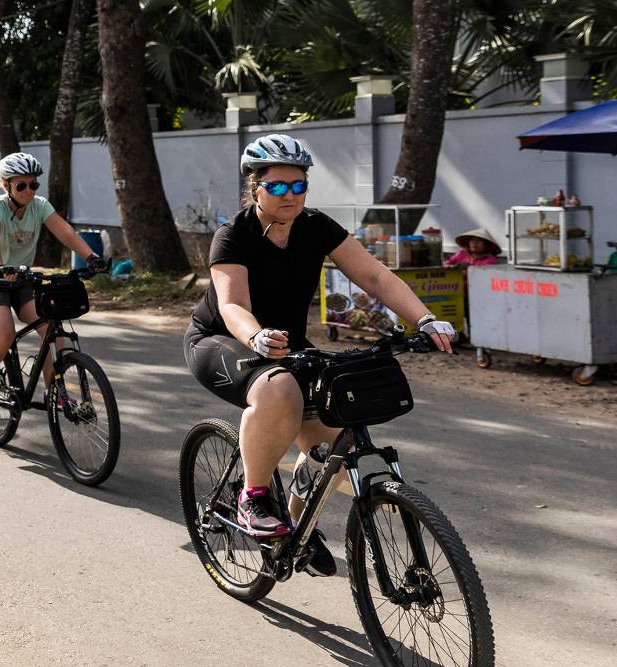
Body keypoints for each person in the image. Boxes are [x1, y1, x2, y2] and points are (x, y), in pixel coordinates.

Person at [182, 134, 455, 573]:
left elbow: (376, 276)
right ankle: (253, 497)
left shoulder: (316, 226)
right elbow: (232, 305)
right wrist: (255, 338)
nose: (289, 195)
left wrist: (424, 320)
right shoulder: (233, 235)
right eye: (277, 186)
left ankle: (293, 529)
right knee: (280, 389)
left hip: (286, 344)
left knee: (330, 445)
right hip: (225, 339)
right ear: (255, 188)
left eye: (298, 185)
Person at [0, 151, 104, 412]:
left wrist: (90, 256)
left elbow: (64, 230)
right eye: (22, 185)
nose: (29, 191)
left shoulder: (39, 206)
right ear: (6, 185)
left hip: (21, 279)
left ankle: (54, 391)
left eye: (34, 184)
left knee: (52, 328)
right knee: (2, 333)